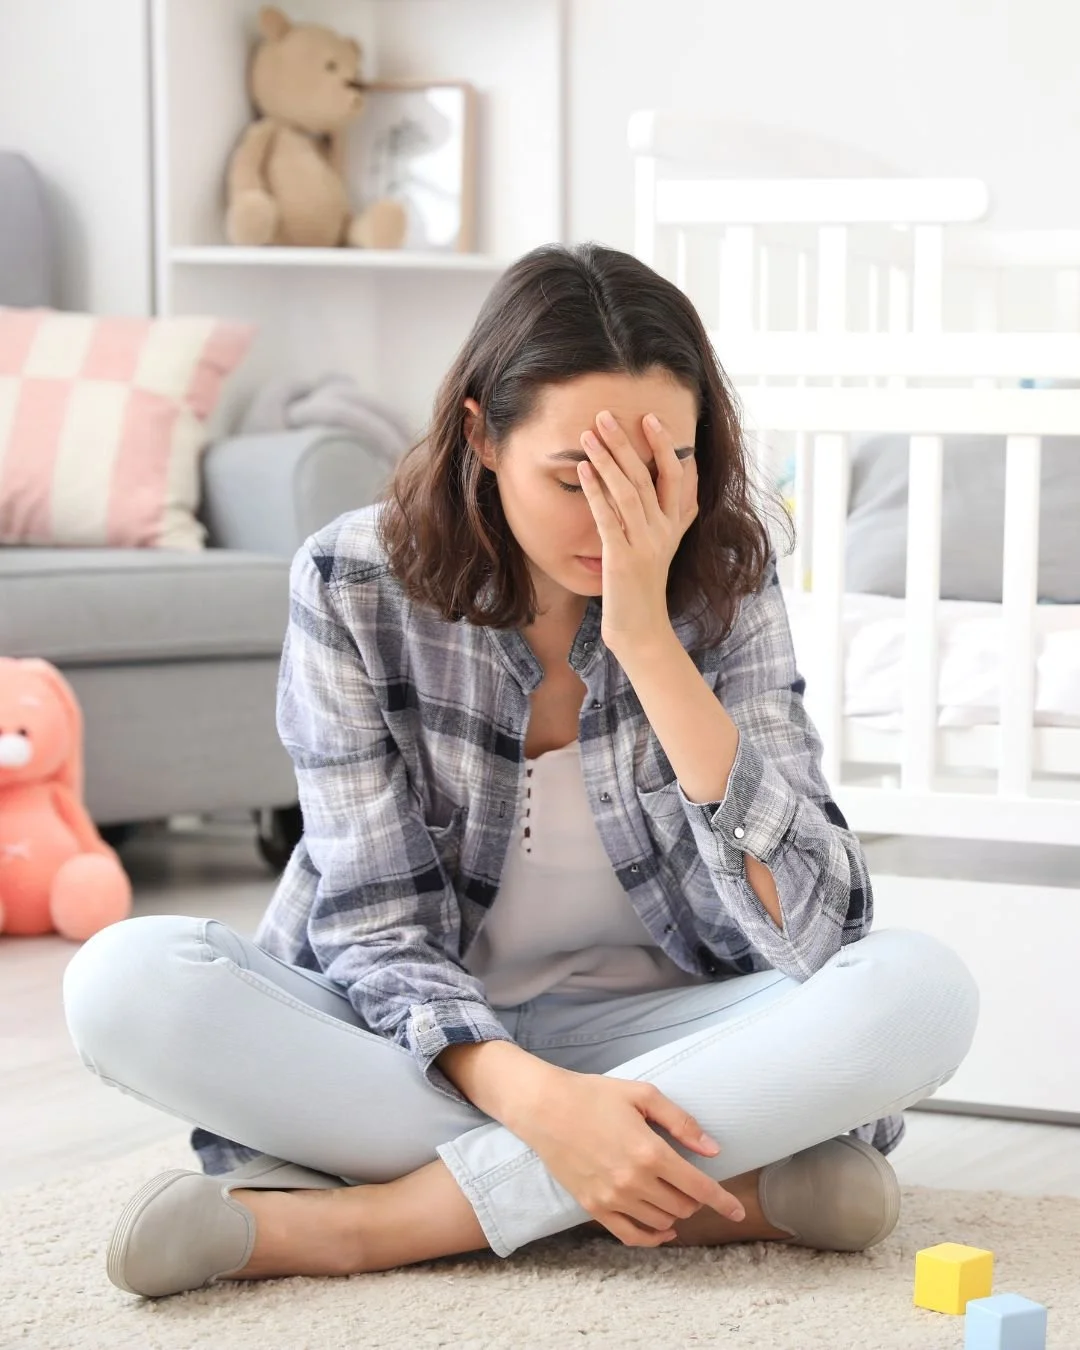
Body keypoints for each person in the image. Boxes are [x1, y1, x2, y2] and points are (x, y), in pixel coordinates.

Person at [63, 242, 979, 1300]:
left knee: (922, 993)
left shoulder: (726, 580)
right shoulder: (354, 581)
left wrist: (648, 641)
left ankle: (369, 1224)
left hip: (670, 1029)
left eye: (662, 467)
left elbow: (820, 929)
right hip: (429, 1050)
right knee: (121, 983)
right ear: (480, 439)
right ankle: (725, 1192)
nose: (620, 517)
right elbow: (373, 932)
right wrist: (542, 1105)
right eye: (578, 476)